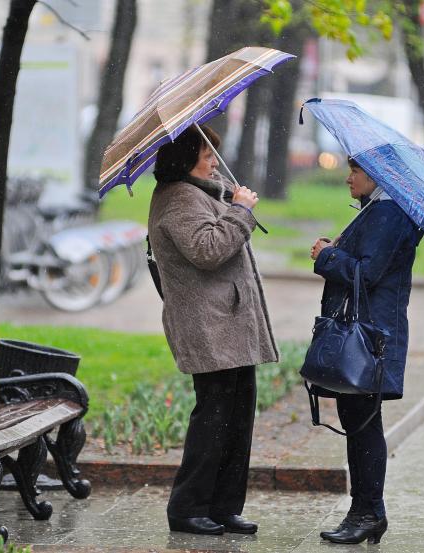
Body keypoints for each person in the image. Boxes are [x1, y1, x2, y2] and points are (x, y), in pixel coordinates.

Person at [147, 124, 279, 536]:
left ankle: (223, 507)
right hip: (209, 327)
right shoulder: (177, 199)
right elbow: (208, 251)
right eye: (206, 156)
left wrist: (234, 200)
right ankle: (187, 508)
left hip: (228, 323)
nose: (213, 162)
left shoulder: (199, 191)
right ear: (184, 159)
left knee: (237, 419)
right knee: (214, 419)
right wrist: (240, 211)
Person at [309, 157, 423, 545]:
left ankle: (368, 512)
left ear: (376, 174)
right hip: (365, 333)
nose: (347, 178)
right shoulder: (379, 209)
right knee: (358, 421)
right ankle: (365, 512)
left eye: (354, 171)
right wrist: (338, 249)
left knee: (362, 423)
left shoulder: (389, 212)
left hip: (370, 336)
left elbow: (366, 274)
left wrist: (327, 255)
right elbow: (365, 264)